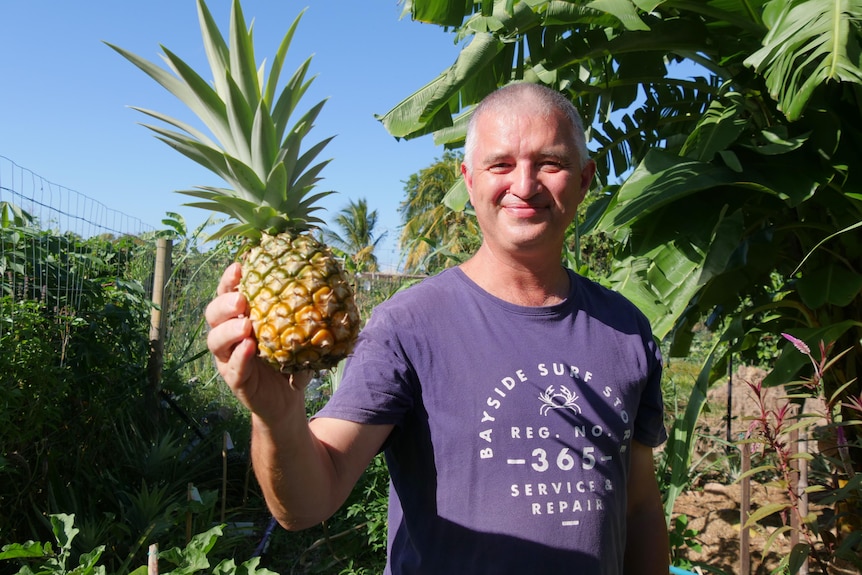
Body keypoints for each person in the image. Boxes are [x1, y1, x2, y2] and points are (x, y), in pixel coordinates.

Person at [206, 82, 670, 574]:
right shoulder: (408, 326)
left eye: (550, 163)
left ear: (584, 179)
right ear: (468, 181)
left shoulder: (626, 330)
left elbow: (638, 504)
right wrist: (278, 418)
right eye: (501, 165)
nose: (525, 184)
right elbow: (304, 505)